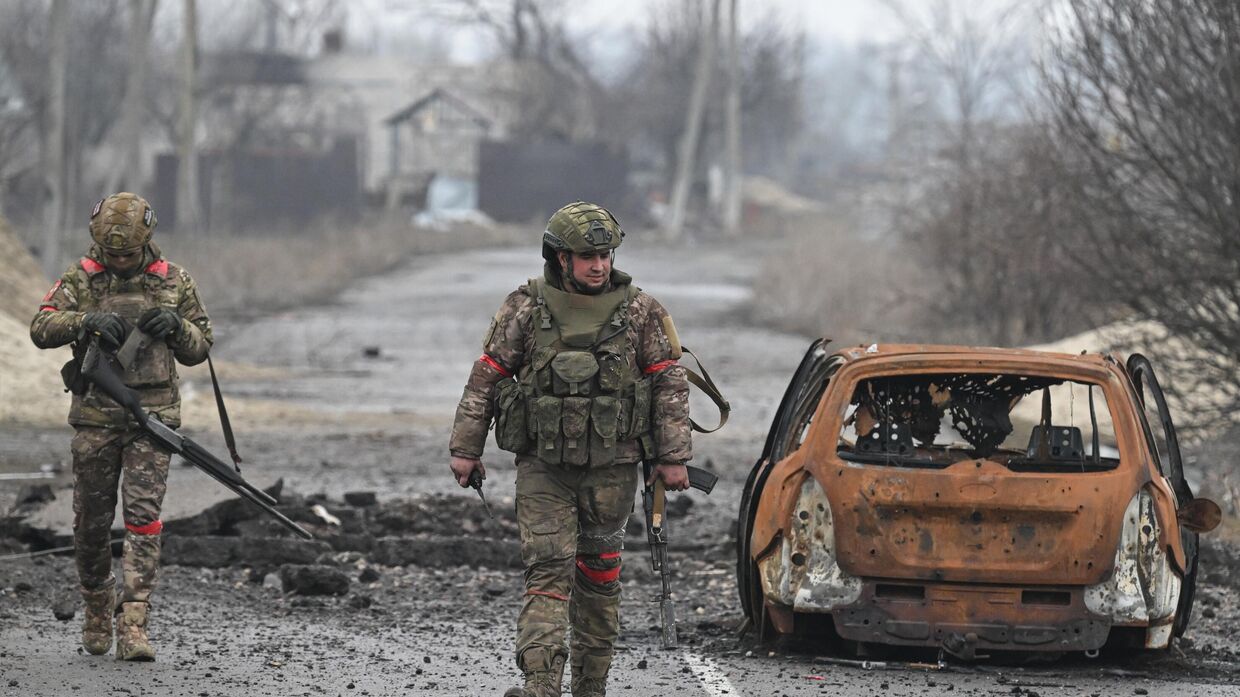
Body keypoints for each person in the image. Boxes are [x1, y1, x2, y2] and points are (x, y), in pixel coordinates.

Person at [448, 201, 692, 697]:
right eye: (587, 256)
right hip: (544, 467)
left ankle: (591, 686)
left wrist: (672, 457)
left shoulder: (642, 310)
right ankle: (541, 684)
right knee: (547, 570)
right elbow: (488, 374)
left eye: (605, 254)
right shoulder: (525, 306)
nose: (599, 265)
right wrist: (466, 447)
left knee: (600, 577)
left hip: (614, 467)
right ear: (561, 258)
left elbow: (669, 382)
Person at [30, 193, 213, 661]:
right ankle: (97, 605)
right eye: (112, 254)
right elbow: (40, 327)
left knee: (142, 518)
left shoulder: (173, 281)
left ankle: (134, 622)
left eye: (128, 254)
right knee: (90, 523)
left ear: (146, 243)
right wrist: (84, 321)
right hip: (96, 418)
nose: (120, 261)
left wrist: (174, 324)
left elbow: (200, 347)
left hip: (153, 419)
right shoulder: (82, 278)